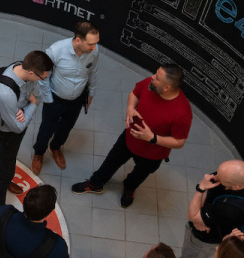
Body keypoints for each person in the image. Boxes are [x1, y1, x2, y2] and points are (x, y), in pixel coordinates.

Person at [73, 64, 192, 207]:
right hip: (129, 137)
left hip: (152, 154)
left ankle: (129, 188)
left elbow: (179, 142)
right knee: (111, 161)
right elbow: (134, 94)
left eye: (157, 78)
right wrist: (130, 108)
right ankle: (95, 183)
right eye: (155, 74)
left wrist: (152, 138)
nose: (152, 77)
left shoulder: (182, 113)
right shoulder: (151, 83)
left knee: (139, 174)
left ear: (167, 88)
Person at [31, 21, 100, 175]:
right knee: (46, 129)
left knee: (66, 127)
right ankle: (39, 153)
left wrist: (91, 93)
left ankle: (55, 147)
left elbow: (93, 73)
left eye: (96, 43)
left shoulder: (94, 51)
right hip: (55, 99)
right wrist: (48, 99)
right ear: (78, 40)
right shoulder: (55, 51)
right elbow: (43, 77)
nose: (94, 48)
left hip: (77, 99)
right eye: (91, 44)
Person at [177, 160, 244, 258]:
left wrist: (200, 188)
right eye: (218, 172)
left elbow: (191, 215)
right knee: (188, 257)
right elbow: (197, 213)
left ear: (236, 187)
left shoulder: (230, 209)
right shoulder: (239, 181)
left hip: (204, 241)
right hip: (207, 226)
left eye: (221, 178)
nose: (214, 176)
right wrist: (198, 218)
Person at [0, 51, 54, 205]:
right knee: (7, 167)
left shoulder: (21, 68)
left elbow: (35, 93)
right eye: (42, 78)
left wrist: (23, 107)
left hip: (12, 126)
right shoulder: (5, 94)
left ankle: (2, 179)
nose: (44, 80)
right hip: (5, 133)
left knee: (6, 161)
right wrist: (32, 105)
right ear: (31, 72)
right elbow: (17, 127)